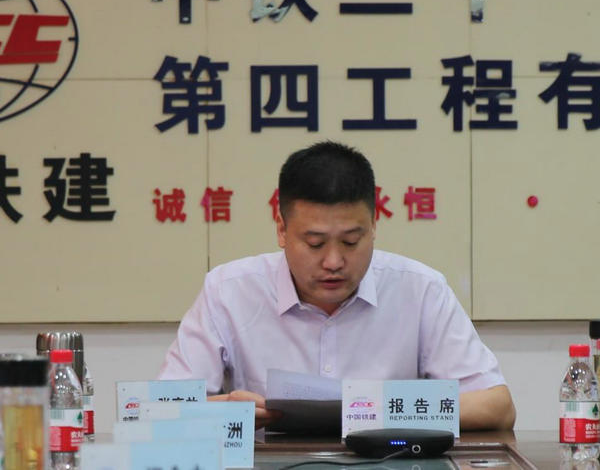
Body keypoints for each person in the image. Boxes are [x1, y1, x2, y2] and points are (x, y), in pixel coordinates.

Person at [159, 141, 516, 431]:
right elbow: (160, 410)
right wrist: (226, 409)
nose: (333, 261)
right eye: (314, 243)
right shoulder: (228, 291)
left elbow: (496, 406)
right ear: (281, 229)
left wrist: (369, 410)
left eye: (350, 241)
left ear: (373, 226)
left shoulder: (420, 290)